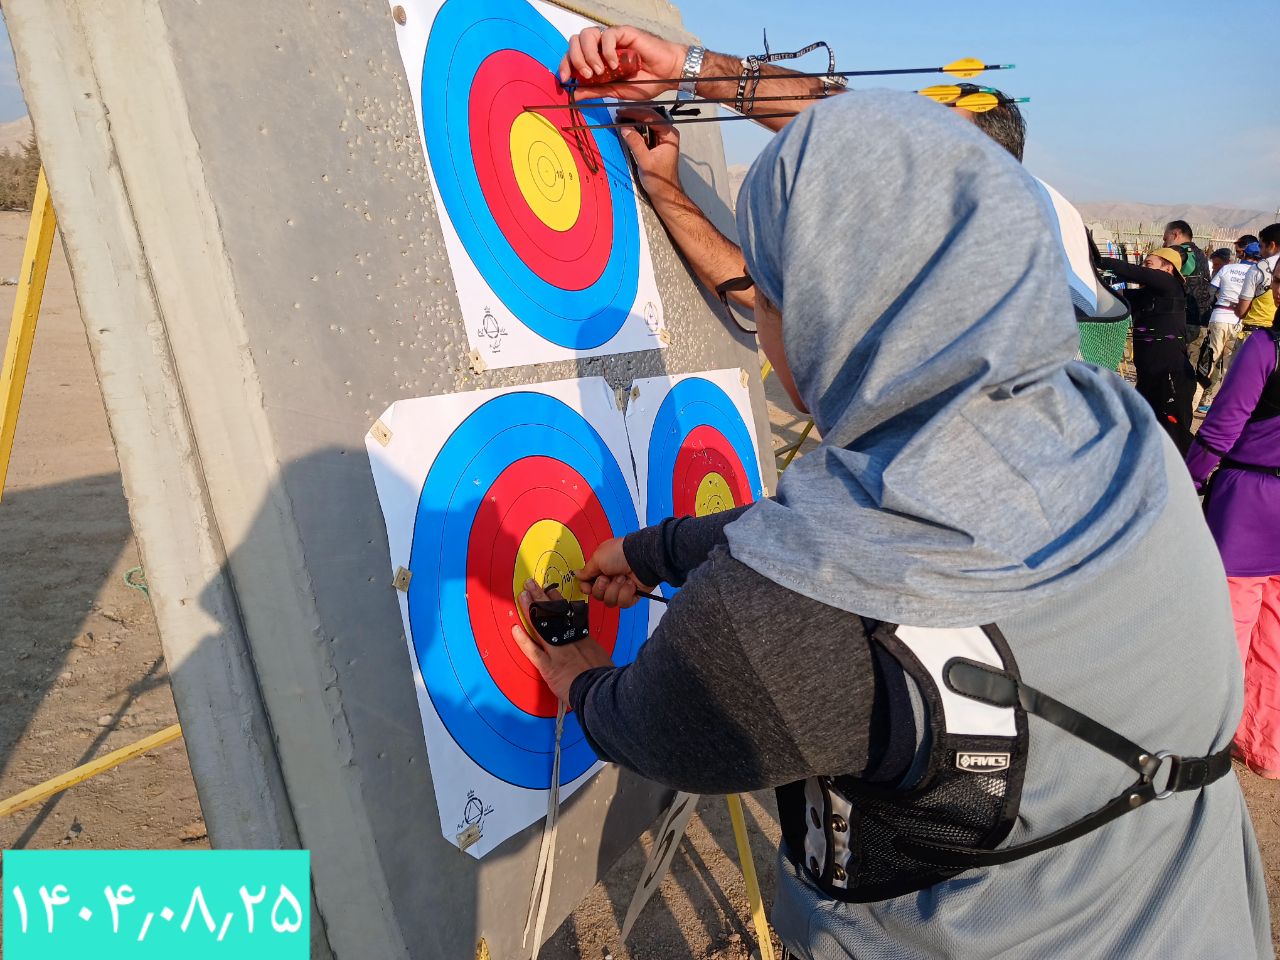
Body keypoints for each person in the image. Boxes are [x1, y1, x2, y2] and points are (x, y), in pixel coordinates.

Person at [518, 67, 1270, 959]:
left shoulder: (771, 625)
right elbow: (876, 534)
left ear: (823, 313)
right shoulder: (1116, 429)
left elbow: (657, 724)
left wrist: (582, 679)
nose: (759, 313)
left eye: (768, 292)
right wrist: (657, 551)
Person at [558, 26, 1127, 366]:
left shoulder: (1008, 222)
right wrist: (665, 180)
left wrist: (691, 69)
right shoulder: (939, 234)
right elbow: (768, 296)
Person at [1186, 267, 1280, 781]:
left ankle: (1209, 744)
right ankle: (1266, 749)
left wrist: (1188, 481)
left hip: (1248, 505)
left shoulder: (1266, 347)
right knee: (1275, 640)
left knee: (1227, 632)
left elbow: (1222, 427)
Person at [1098, 247, 1197, 452]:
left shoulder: (1172, 285)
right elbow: (1109, 295)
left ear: (1168, 268)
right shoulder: (1145, 296)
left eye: (1149, 263)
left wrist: (1099, 260)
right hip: (1148, 376)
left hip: (1170, 376)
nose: (1144, 267)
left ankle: (1190, 472)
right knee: (1143, 432)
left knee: (1175, 439)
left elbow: (1134, 272)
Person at [1197, 242, 1263, 412]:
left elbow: (1211, 291)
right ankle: (1221, 406)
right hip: (1241, 322)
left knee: (1208, 361)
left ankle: (1196, 399)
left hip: (1219, 316)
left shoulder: (1227, 268)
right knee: (1229, 367)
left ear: (1243, 254)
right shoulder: (1259, 272)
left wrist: (1219, 301)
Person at [1162, 220, 1214, 353]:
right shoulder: (1200, 254)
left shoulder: (1178, 252)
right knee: (1190, 363)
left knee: (1170, 359)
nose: (1164, 244)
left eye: (1165, 239)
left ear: (1175, 234)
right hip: (1202, 320)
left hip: (1182, 320)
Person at [1239, 222, 1280, 332]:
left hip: (1257, 330)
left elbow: (1242, 311)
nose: (1260, 252)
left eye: (1261, 246)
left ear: (1272, 245)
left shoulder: (1258, 268)